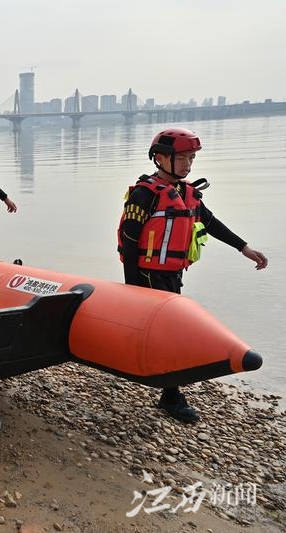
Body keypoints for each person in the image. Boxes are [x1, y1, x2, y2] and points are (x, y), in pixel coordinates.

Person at [118, 127, 268, 423]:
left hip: (172, 276)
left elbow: (210, 222)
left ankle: (165, 385)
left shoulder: (186, 194)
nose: (188, 165)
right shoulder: (144, 195)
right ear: (160, 158)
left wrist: (244, 247)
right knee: (171, 332)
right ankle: (171, 395)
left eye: (191, 158)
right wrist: (131, 288)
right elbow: (130, 240)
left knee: (168, 331)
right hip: (148, 277)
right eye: (182, 158)